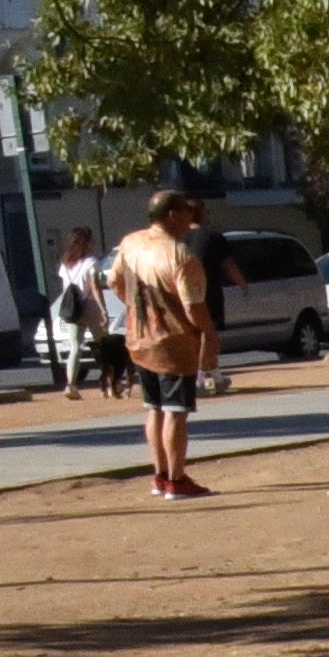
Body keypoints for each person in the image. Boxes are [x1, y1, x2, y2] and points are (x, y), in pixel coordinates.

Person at [108, 189, 218, 499]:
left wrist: (135, 309)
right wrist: (209, 335)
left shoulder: (130, 243)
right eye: (186, 211)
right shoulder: (179, 254)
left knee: (153, 408)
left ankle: (159, 475)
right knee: (175, 411)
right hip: (173, 342)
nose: (190, 218)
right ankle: (177, 478)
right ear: (172, 215)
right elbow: (193, 304)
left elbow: (114, 281)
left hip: (139, 337)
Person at [47, 226, 106, 398]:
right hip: (90, 306)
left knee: (75, 347)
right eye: (90, 240)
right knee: (102, 345)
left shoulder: (65, 264)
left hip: (73, 309)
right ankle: (109, 380)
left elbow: (64, 286)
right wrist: (103, 309)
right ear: (86, 243)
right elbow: (95, 287)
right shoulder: (91, 262)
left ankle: (71, 385)